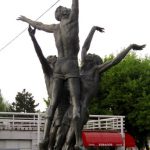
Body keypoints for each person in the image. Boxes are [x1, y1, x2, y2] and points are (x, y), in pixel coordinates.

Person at [63, 26, 146, 149]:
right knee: (63, 136)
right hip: (72, 107)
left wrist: (130, 47)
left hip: (82, 110)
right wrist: (92, 30)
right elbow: (84, 47)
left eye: (91, 55)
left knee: (71, 137)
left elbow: (114, 61)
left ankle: (78, 141)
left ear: (95, 61)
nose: (88, 54)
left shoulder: (95, 70)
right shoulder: (81, 71)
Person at [18, 0, 82, 148]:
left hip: (59, 66)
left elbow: (39, 25)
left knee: (52, 104)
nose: (67, 8)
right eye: (65, 8)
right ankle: (78, 141)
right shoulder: (73, 20)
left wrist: (26, 20)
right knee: (76, 104)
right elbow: (76, 3)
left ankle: (45, 139)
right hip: (71, 64)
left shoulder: (55, 28)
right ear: (64, 13)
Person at [28, 25, 70, 150]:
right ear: (49, 62)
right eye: (52, 57)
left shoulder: (62, 73)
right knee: (56, 127)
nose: (55, 57)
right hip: (56, 106)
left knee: (64, 132)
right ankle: (48, 145)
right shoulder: (49, 72)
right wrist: (33, 38)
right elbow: (40, 55)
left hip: (66, 104)